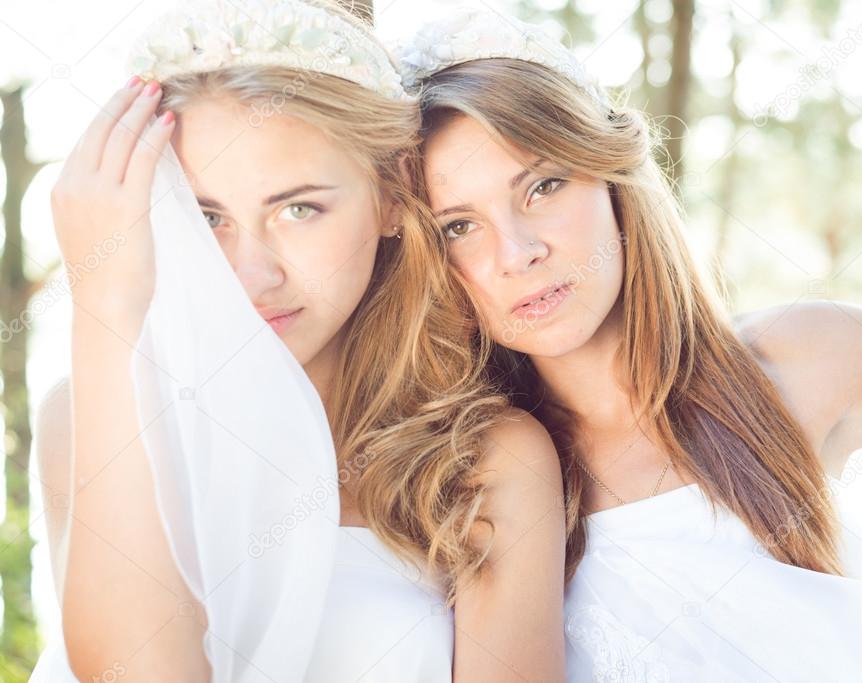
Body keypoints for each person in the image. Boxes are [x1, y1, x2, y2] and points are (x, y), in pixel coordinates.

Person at [400, 8, 862, 680]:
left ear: (612, 182)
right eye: (458, 227)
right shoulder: (475, 471)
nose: (516, 253)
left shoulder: (808, 357)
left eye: (542, 187)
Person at [32, 2, 566, 680]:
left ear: (392, 195)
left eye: (298, 209)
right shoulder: (87, 418)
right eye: (206, 217)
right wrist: (104, 305)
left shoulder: (483, 463)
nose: (252, 274)